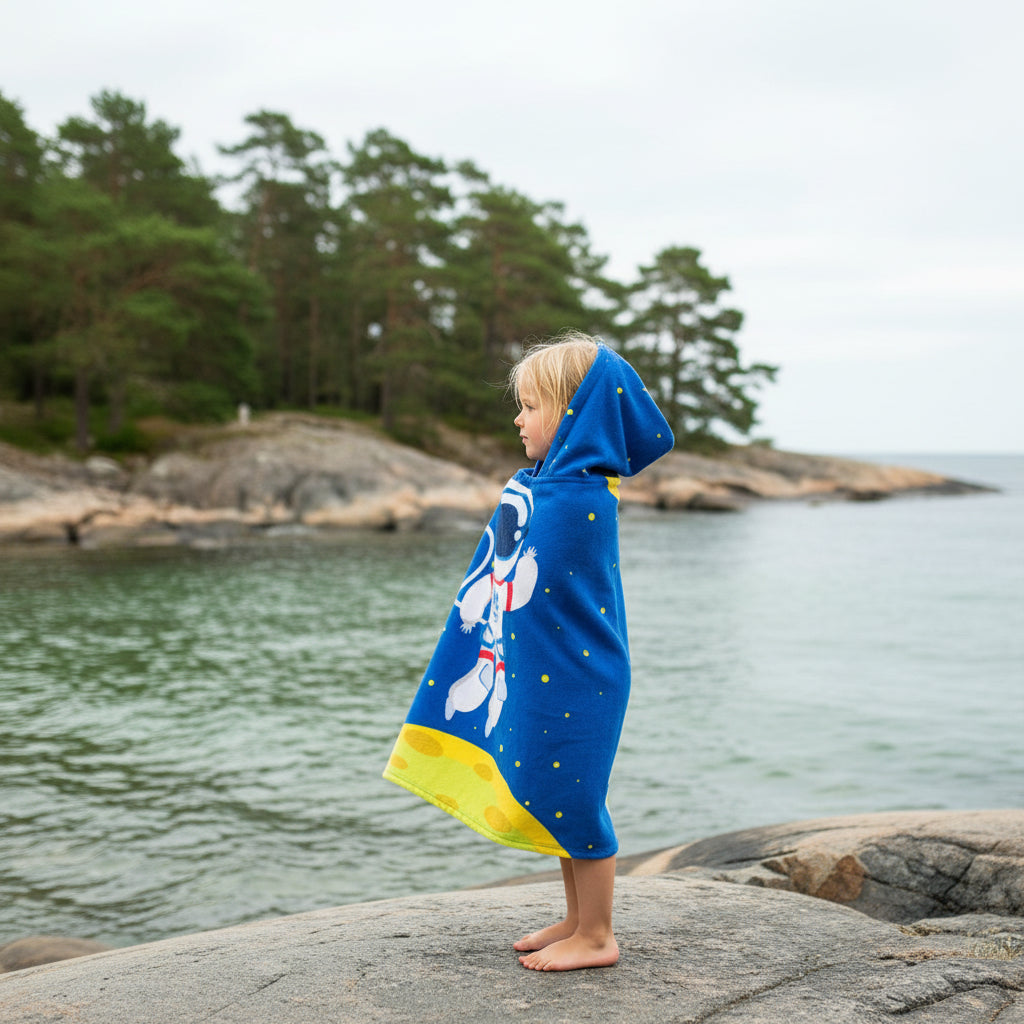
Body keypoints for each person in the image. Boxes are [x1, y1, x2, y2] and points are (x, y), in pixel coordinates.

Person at [384, 330, 673, 970]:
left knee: (574, 799)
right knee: (552, 793)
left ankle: (598, 936)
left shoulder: (575, 499)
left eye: (532, 405)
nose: (518, 418)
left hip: (576, 677)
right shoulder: (554, 486)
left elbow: (526, 576)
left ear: (574, 415)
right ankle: (577, 919)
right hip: (552, 671)